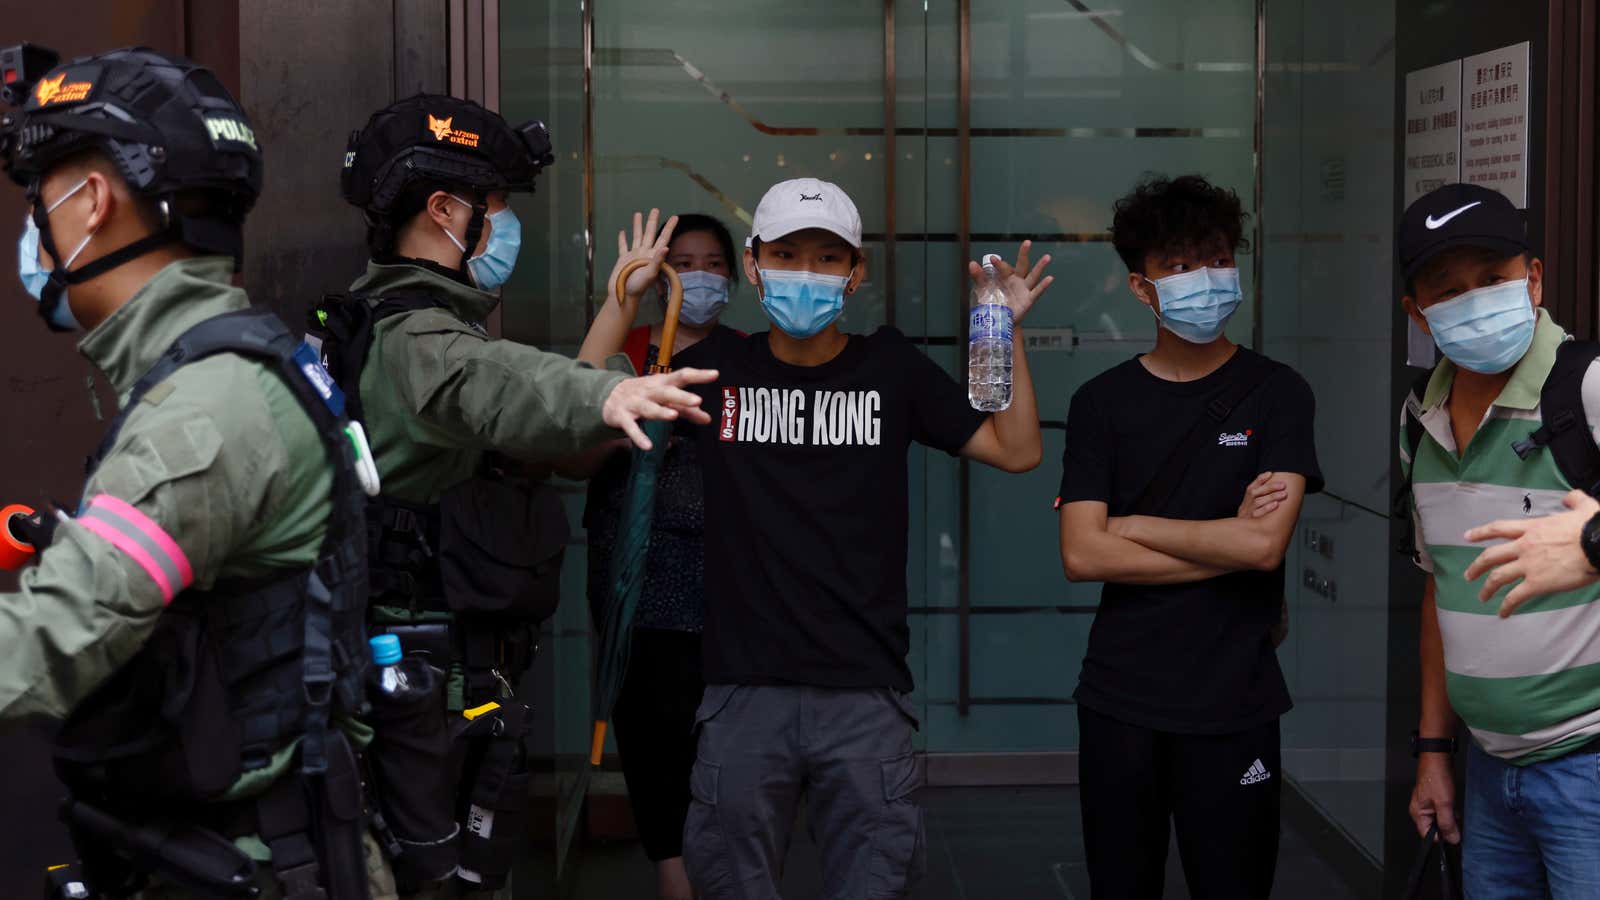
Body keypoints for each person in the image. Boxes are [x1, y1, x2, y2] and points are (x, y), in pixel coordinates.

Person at [581, 176, 1051, 900]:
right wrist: (627, 297)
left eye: (827, 258)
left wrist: (1000, 328)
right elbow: (577, 420)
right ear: (755, 263)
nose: (806, 271)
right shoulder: (715, 374)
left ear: (856, 273)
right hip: (741, 694)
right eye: (787, 253)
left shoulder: (889, 368)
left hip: (863, 694)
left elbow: (1016, 449)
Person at [0, 45, 390, 897]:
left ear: (92, 202)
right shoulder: (234, 368)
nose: (35, 234)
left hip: (239, 866)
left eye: (41, 202)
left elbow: (54, 637)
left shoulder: (206, 411)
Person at [309, 94, 716, 899]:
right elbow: (504, 384)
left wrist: (607, 354)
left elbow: (526, 423)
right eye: (495, 209)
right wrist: (604, 397)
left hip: (425, 663)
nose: (503, 228)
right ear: (444, 210)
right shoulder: (421, 337)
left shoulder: (388, 319)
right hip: (421, 676)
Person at [1056, 173, 1323, 900]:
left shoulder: (1278, 393)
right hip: (1120, 697)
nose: (1203, 278)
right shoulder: (1101, 403)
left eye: (1214, 257)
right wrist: (1223, 539)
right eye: (1177, 266)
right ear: (1142, 289)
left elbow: (1263, 548)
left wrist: (1134, 525)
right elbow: (1082, 554)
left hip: (1233, 700)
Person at [1397, 182, 1600, 897]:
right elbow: (1441, 588)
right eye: (1448, 291)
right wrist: (1432, 750)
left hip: (1588, 767)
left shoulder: (1588, 386)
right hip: (1486, 772)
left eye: (1493, 279)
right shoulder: (1420, 417)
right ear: (1417, 314)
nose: (1475, 300)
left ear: (1534, 280)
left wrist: (1593, 543)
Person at [572, 211, 739, 900]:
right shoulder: (630, 348)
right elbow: (568, 441)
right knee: (653, 728)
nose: (697, 276)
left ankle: (725, 866)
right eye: (683, 262)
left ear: (737, 276)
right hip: (639, 576)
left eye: (713, 263)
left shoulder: (751, 356)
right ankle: (673, 872)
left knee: (726, 738)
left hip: (733, 579)